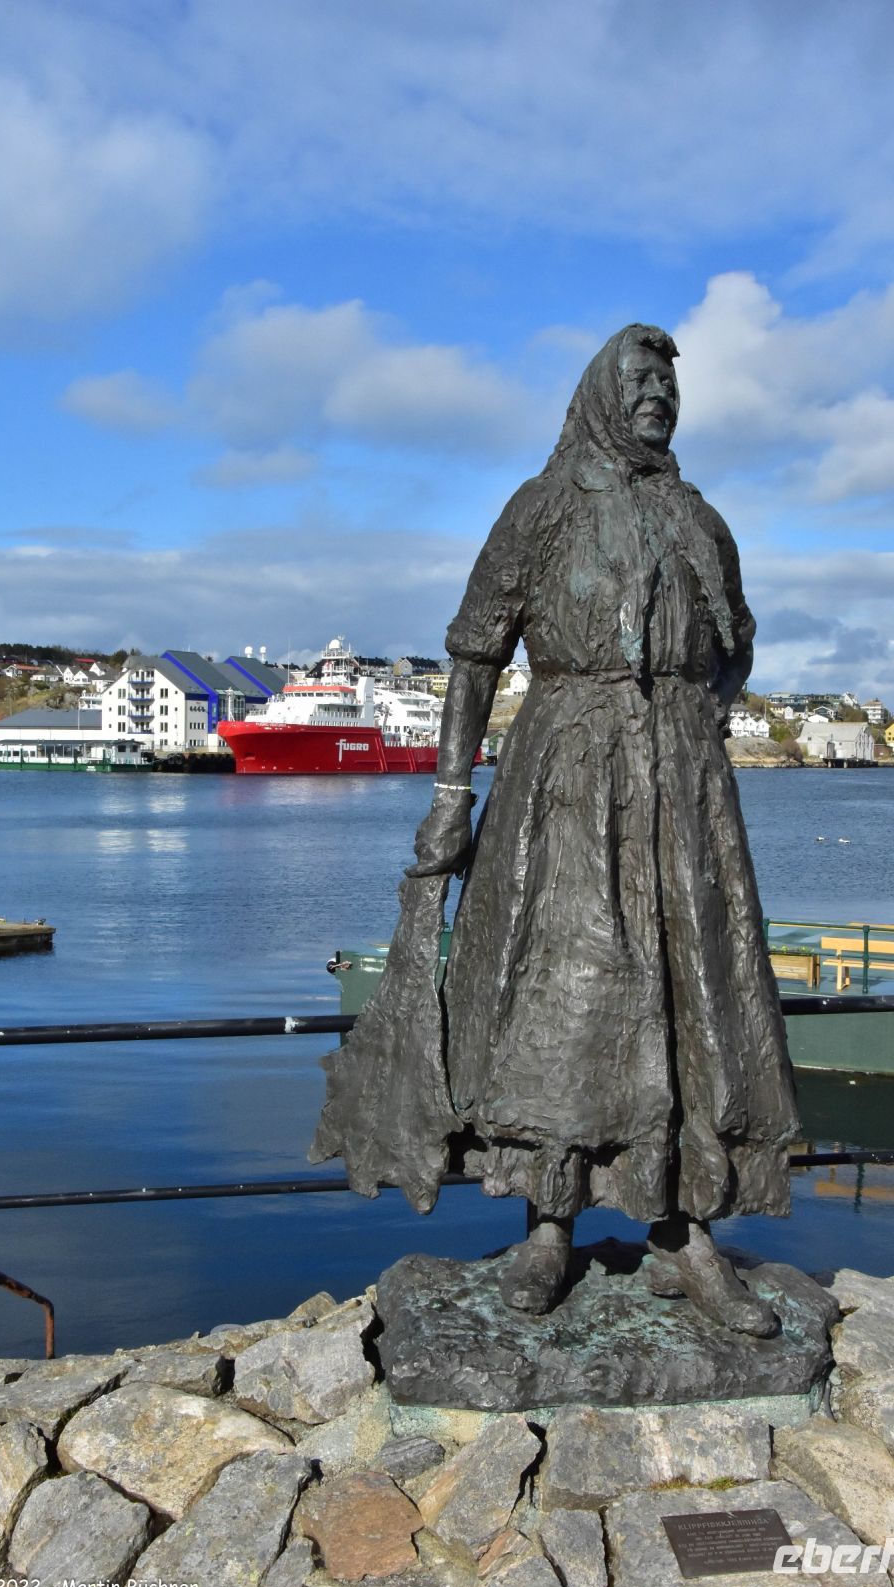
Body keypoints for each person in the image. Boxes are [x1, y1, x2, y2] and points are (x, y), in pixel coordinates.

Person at [311, 324, 798, 1333]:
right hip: (566, 782)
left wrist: (694, 715)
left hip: (684, 789)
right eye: (639, 377)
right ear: (596, 393)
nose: (658, 392)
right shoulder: (538, 511)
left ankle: (686, 1234)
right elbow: (474, 657)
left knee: (692, 990)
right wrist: (451, 793)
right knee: (562, 994)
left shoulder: (699, 520)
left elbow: (736, 646)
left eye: (669, 379)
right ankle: (549, 1226)